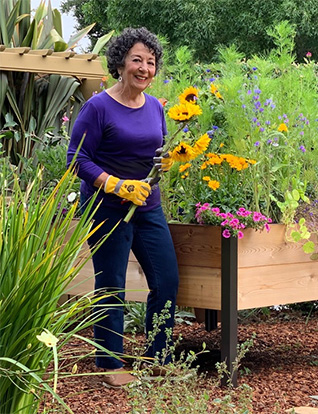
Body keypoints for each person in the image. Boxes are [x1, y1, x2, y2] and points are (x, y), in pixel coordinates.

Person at [67, 27, 177, 388]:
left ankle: (157, 357)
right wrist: (116, 185)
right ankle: (110, 363)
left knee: (166, 279)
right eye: (137, 60)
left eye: (151, 61)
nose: (145, 68)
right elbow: (77, 160)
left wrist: (166, 163)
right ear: (120, 64)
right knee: (111, 284)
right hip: (106, 208)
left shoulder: (157, 107)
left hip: (147, 207)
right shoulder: (98, 107)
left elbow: (154, 152)